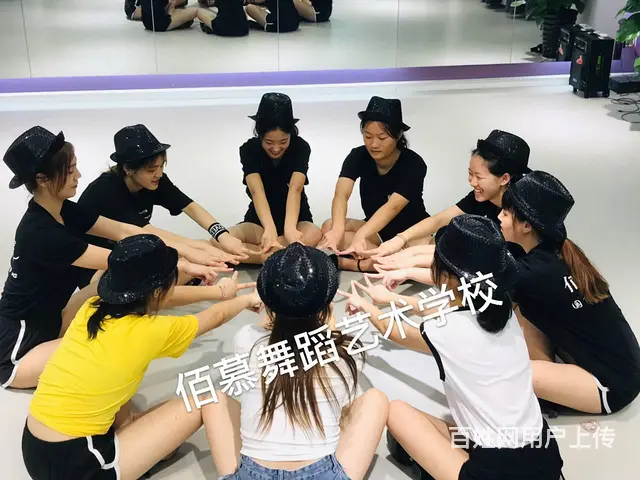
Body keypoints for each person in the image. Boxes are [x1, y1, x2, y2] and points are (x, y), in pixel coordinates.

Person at [340, 214, 565, 480]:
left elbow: (400, 333)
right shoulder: (502, 312)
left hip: (497, 471)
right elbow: (443, 312)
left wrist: (366, 307)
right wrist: (391, 299)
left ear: (446, 277)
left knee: (397, 412)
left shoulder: (445, 331)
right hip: (545, 456)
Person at [21, 234, 263, 480]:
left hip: (34, 444)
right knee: (209, 400)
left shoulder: (92, 308)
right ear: (158, 291)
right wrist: (246, 299)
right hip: (78, 464)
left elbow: (163, 298)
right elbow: (215, 317)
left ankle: (132, 434)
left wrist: (218, 292)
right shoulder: (151, 331)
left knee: (117, 375)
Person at [0, 127, 221, 390]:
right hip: (18, 348)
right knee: (113, 343)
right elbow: (125, 260)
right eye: (70, 171)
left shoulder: (64, 211)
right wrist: (185, 264)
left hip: (52, 321)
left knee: (110, 292)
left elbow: (125, 231)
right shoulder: (41, 232)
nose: (78, 176)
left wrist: (188, 255)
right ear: (43, 179)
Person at [204, 242, 389, 480]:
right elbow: (341, 404)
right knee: (375, 399)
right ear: (327, 305)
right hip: (323, 474)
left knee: (214, 398)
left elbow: (270, 331)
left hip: (252, 474)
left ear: (268, 304)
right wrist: (327, 322)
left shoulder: (246, 339)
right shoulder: (345, 352)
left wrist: (268, 304)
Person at [499, 170, 640, 415]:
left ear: (526, 225)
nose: (498, 217)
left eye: (505, 213)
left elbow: (468, 275)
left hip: (611, 387)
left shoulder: (536, 273)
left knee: (503, 373)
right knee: (523, 307)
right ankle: (549, 385)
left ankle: (550, 390)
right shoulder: (557, 251)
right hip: (625, 367)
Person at [76, 124, 250, 288]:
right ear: (128, 169)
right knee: (188, 258)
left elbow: (189, 206)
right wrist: (193, 250)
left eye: (161, 166)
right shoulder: (107, 190)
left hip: (128, 254)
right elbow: (146, 232)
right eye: (151, 170)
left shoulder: (155, 181)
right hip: (96, 269)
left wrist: (221, 234)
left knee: (199, 250)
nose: (158, 174)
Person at [369, 129, 531, 285]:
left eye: (479, 177)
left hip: (514, 286)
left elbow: (476, 265)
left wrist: (410, 264)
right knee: (444, 234)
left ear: (504, 179)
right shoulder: (485, 197)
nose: (472, 182)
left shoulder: (518, 215)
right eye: (470, 174)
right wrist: (401, 241)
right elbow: (440, 220)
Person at [319, 96, 428, 273]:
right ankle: (378, 260)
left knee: (418, 254)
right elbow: (341, 195)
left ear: (398, 135)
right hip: (375, 231)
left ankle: (354, 263)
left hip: (408, 233)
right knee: (329, 226)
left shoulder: (414, 164)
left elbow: (392, 207)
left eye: (382, 138)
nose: (374, 144)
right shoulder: (358, 156)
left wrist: (361, 235)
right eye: (368, 136)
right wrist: (338, 230)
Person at [227, 93, 322, 264]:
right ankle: (283, 255)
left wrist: (290, 228)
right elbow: (257, 191)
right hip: (260, 221)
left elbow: (295, 189)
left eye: (283, 141)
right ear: (260, 135)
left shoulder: (300, 147)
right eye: (269, 142)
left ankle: (265, 256)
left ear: (291, 134)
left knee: (314, 234)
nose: (276, 148)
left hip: (296, 219)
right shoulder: (249, 149)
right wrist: (269, 228)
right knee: (224, 239)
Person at [128, 0, 218, 33]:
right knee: (197, 11)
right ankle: (215, 22)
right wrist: (173, 12)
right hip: (160, 24)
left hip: (147, 22)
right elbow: (171, 5)